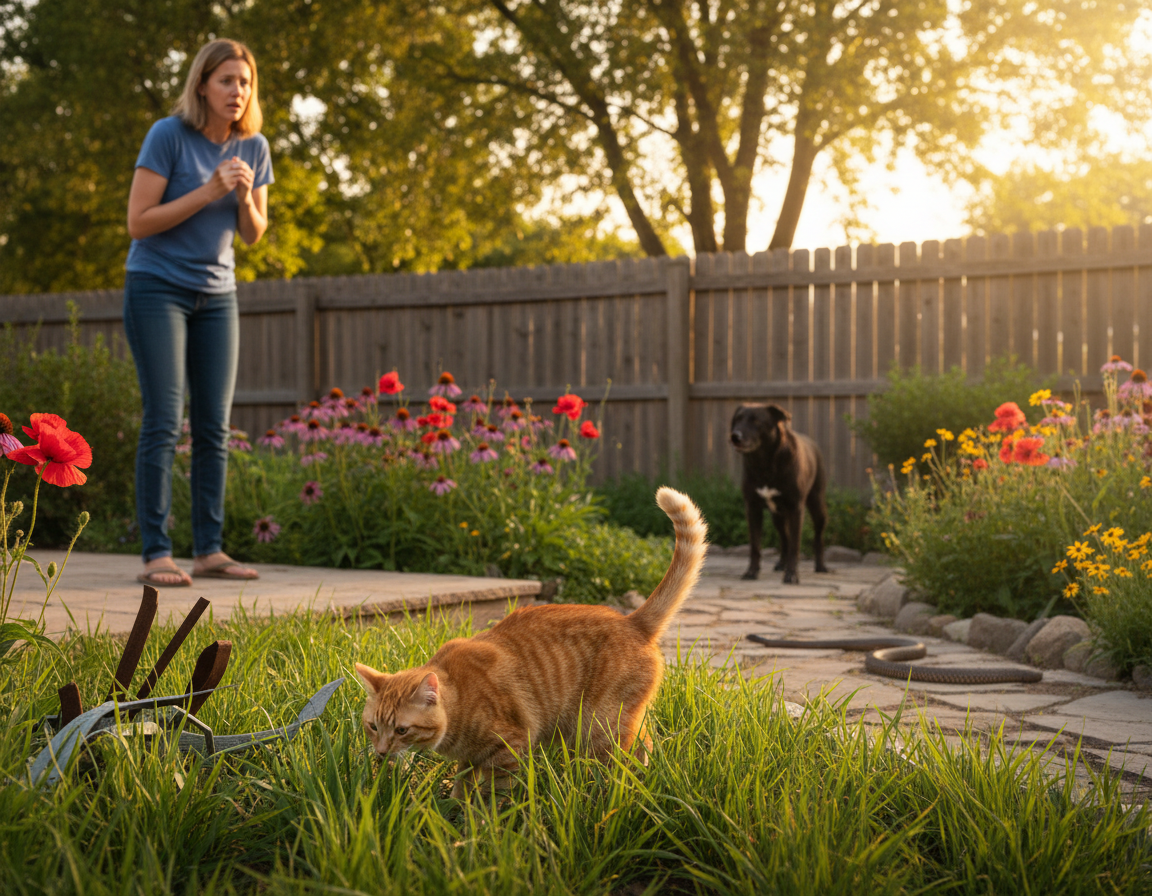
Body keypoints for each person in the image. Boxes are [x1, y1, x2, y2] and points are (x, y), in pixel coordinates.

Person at [124, 39, 272, 586]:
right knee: (165, 420)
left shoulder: (254, 146)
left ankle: (209, 550)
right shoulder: (169, 136)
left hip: (219, 295)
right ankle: (156, 552)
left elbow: (254, 235)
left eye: (246, 82)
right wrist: (210, 189)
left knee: (214, 426)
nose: (238, 91)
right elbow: (139, 222)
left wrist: (243, 197)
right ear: (203, 86)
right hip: (156, 287)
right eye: (227, 80)